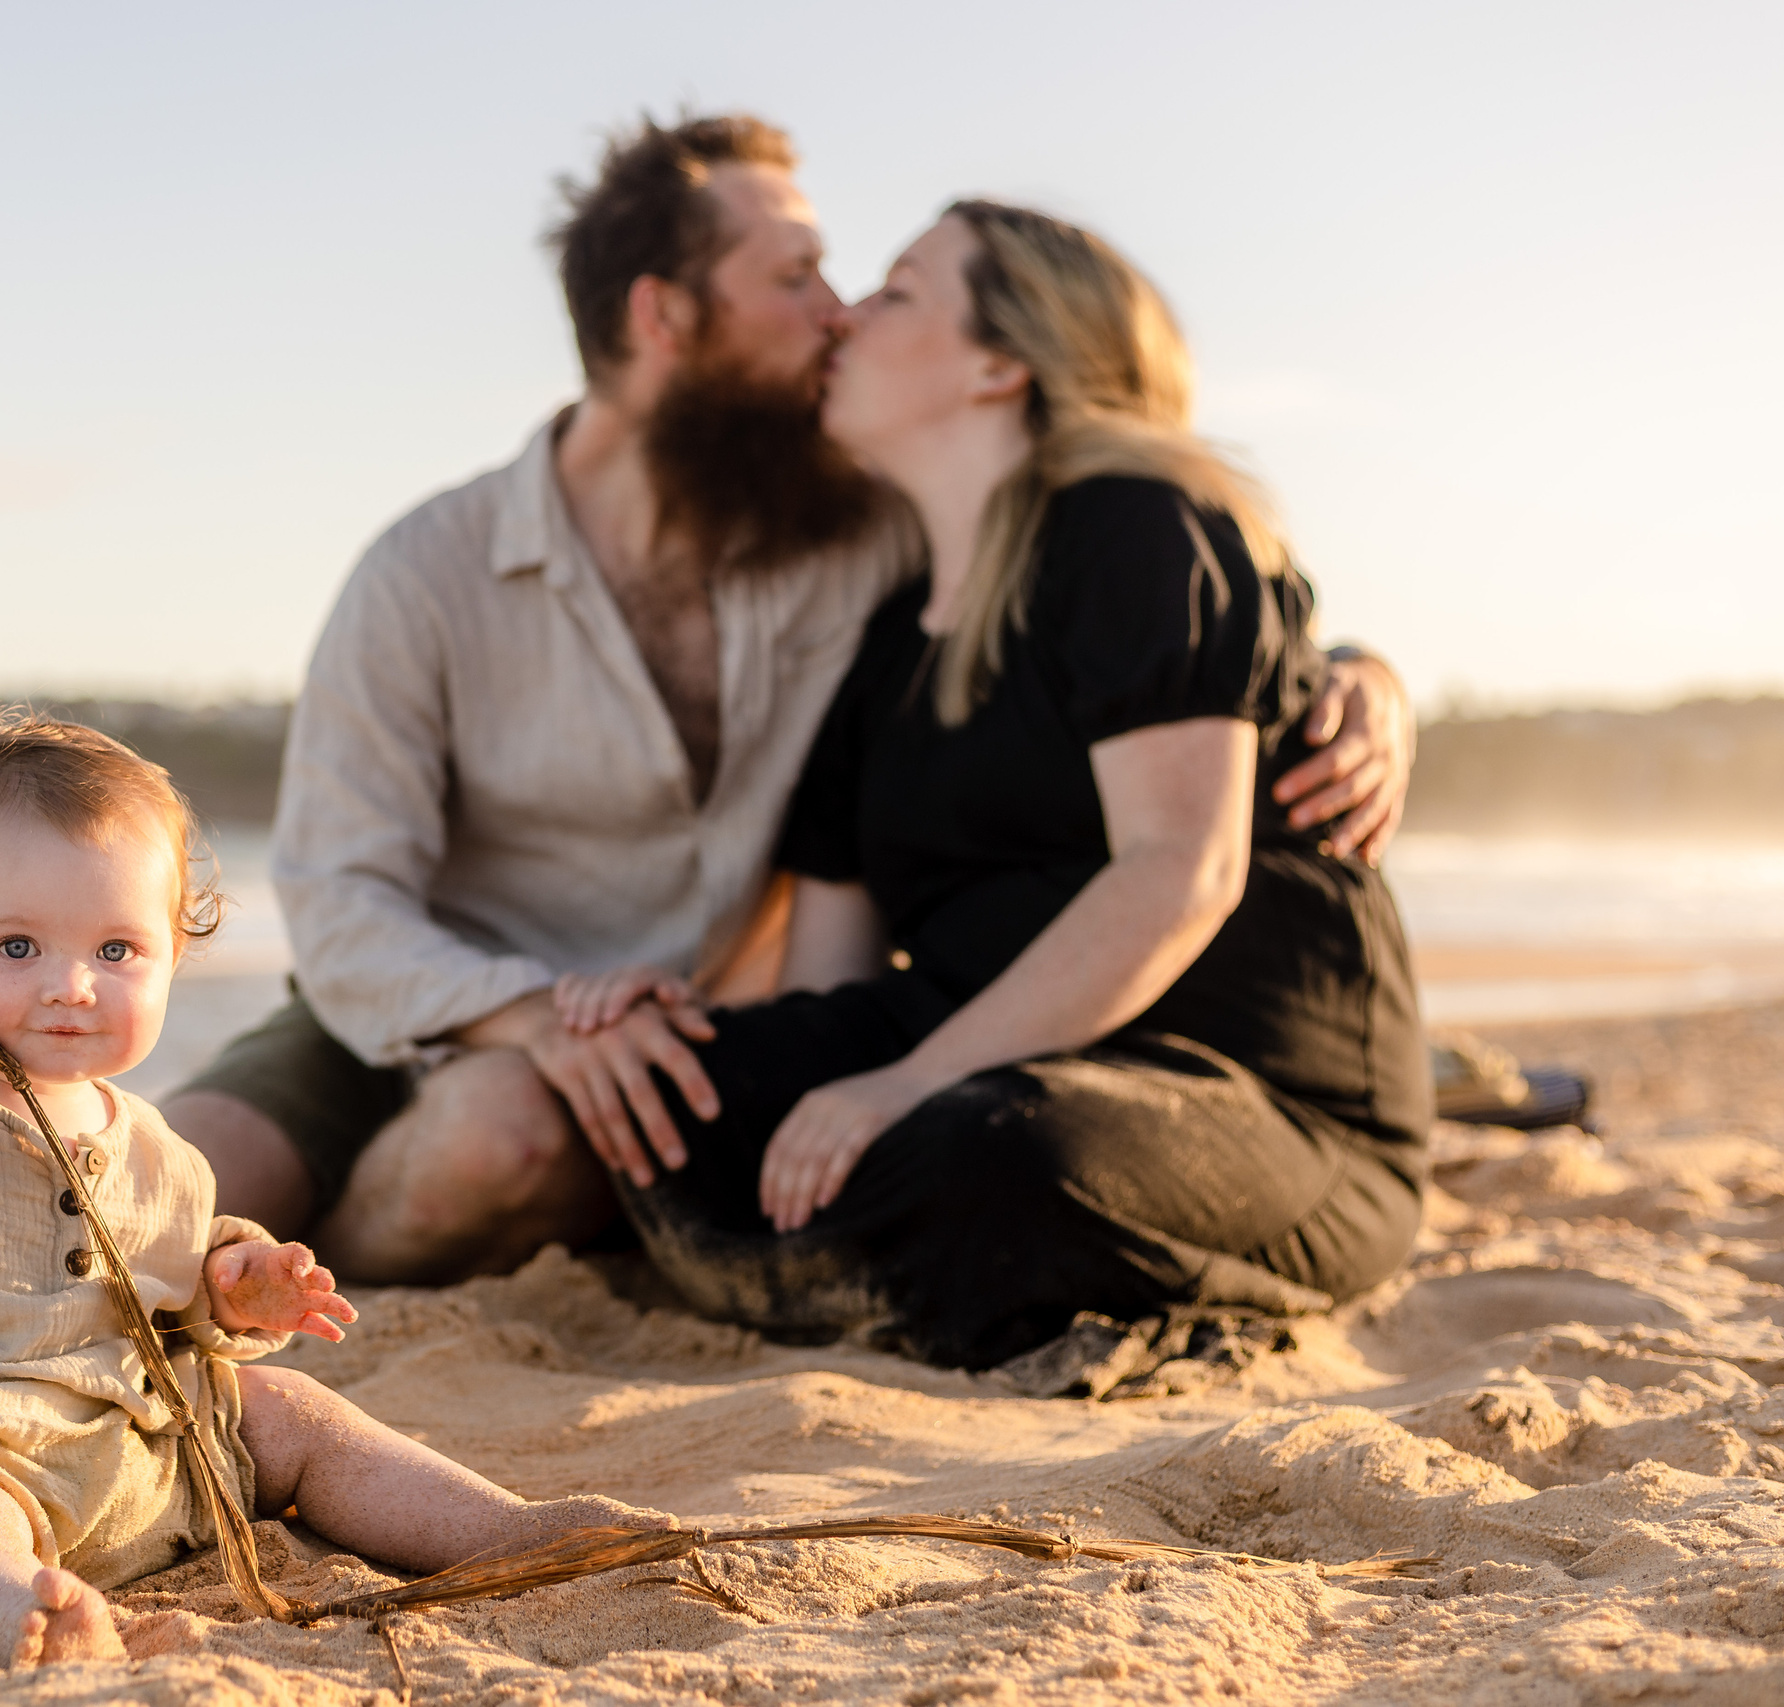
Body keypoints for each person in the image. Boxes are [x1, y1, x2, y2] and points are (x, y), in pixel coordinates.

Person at [167, 114, 1417, 1287]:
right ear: (665, 317)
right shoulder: (427, 573)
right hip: (430, 1001)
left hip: (650, 1056)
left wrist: (1366, 678)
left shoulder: (864, 544)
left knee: (515, 1143)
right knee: (162, 1179)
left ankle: (285, 1296)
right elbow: (335, 900)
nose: (837, 314)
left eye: (866, 287)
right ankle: (189, 1265)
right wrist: (536, 1014)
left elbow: (1157, 602)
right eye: (798, 281)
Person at [563, 202, 1431, 1369]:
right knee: (692, 1095)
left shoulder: (1136, 531)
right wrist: (684, 1022)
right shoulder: (881, 646)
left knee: (998, 1152)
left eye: (899, 290)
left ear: (998, 362)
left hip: (1254, 1102)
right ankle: (881, 1265)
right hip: (1010, 1062)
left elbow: (1182, 871)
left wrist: (905, 1083)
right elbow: (835, 986)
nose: (849, 316)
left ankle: (866, 1270)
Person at [0, 706, 659, 1670]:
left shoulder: (159, 1150)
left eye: (115, 951)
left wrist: (235, 1286)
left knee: (288, 1410)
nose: (71, 985)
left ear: (174, 956)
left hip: (136, 1457)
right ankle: (16, 1620)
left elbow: (169, 1295)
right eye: (17, 947)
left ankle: (501, 1530)